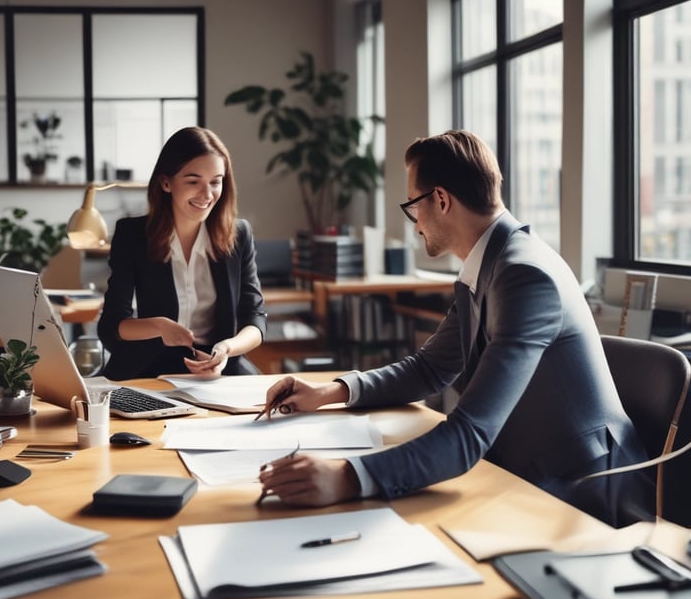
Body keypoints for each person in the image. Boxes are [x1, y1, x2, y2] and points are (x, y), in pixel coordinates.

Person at [258, 129, 654, 528]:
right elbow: (430, 369)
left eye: (414, 206)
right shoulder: (491, 263)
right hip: (524, 472)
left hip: (585, 495)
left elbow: (470, 435)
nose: (415, 226)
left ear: (442, 200)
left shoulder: (525, 276)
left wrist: (347, 476)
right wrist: (330, 391)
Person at [98, 126, 267, 380]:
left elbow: (255, 319)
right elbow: (112, 326)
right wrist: (159, 326)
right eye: (193, 181)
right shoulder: (132, 235)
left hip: (219, 367)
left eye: (215, 182)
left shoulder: (239, 234)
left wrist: (226, 348)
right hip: (148, 366)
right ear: (166, 182)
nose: (207, 194)